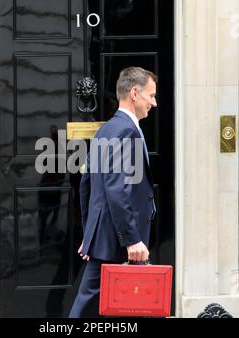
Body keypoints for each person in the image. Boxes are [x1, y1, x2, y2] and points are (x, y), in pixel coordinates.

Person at [69, 67, 157, 318]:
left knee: (110, 307)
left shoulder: (106, 129)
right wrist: (131, 239)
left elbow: (86, 184)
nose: (154, 102)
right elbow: (117, 188)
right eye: (151, 96)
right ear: (135, 93)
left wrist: (89, 234)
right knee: (99, 307)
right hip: (119, 240)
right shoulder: (125, 131)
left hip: (106, 236)